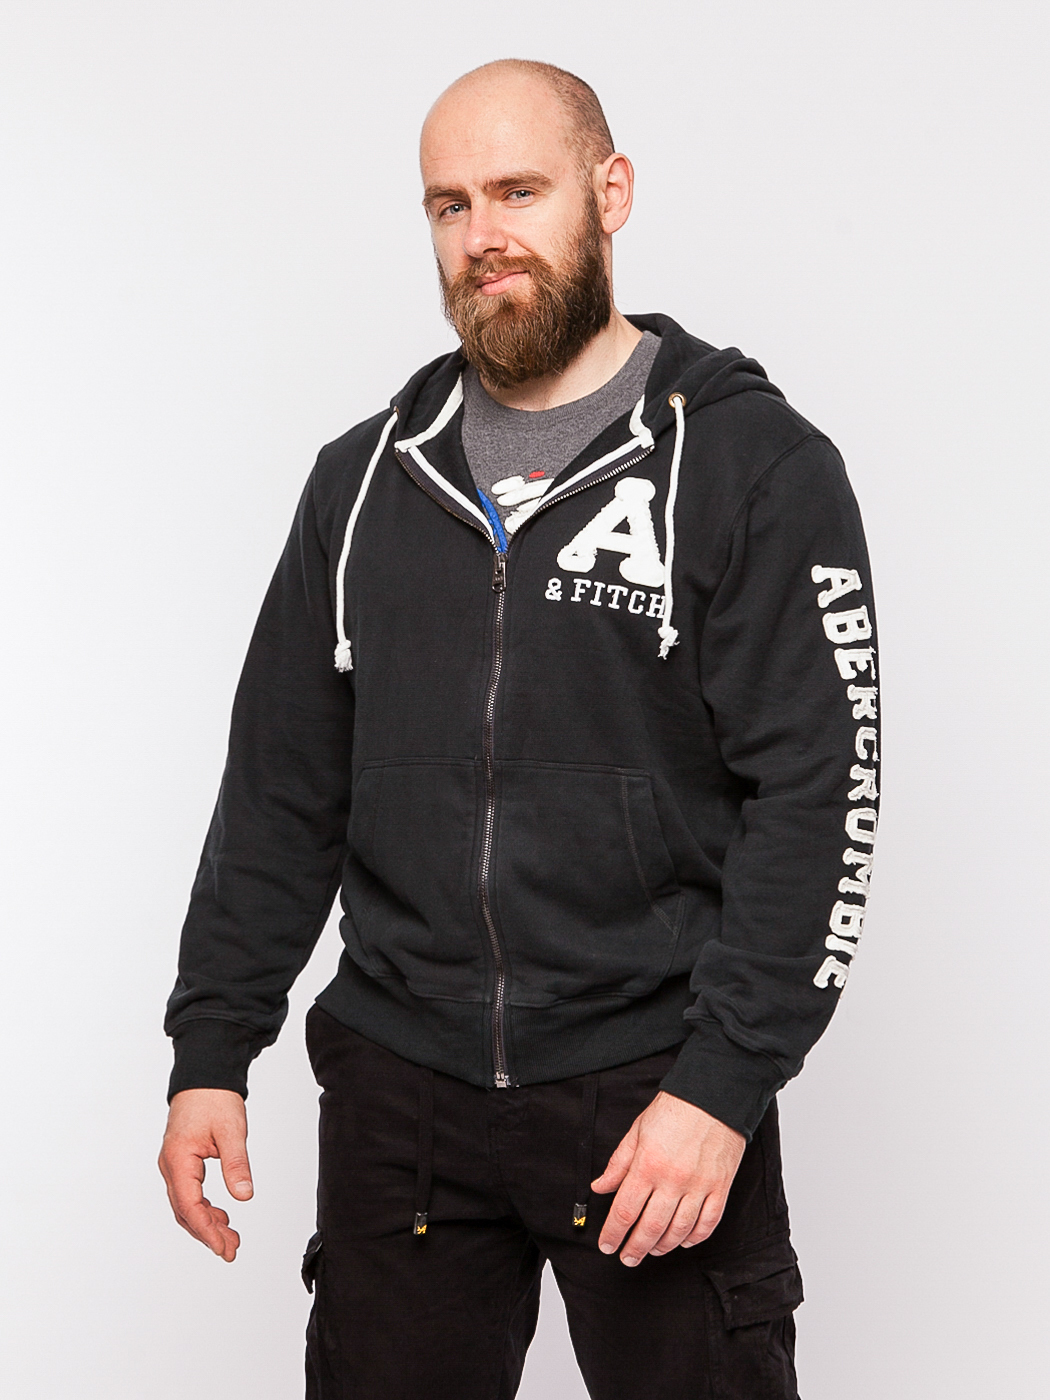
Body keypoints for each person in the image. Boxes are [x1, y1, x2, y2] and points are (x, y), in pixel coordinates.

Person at [159, 58, 879, 1399]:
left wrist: (722, 1085)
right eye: (449, 205)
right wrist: (212, 1047)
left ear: (610, 193)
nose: (482, 234)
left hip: (652, 1088)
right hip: (402, 1098)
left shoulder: (752, 467)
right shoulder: (362, 482)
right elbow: (280, 788)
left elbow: (818, 798)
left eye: (518, 191)